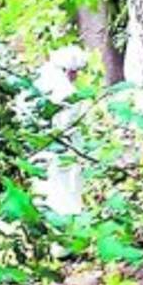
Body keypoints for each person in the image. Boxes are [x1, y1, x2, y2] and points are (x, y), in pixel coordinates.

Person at [34, 45, 88, 216]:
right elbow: (66, 125)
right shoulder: (66, 92)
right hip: (63, 149)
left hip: (42, 148)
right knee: (66, 191)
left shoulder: (38, 84)